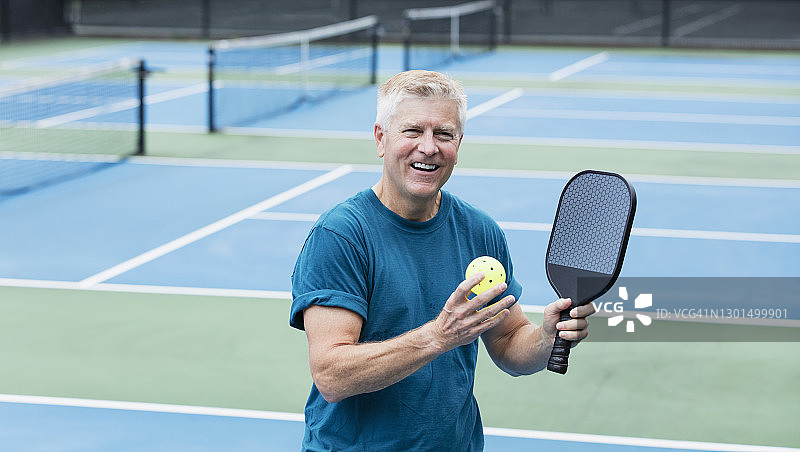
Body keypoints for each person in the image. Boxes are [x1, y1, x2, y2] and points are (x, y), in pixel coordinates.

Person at [289, 70, 594, 451]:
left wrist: (546, 338)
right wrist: (437, 336)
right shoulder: (341, 235)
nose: (428, 147)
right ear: (381, 138)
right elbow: (332, 376)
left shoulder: (479, 230)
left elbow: (508, 343)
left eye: (444, 134)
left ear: (458, 144)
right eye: (413, 131)